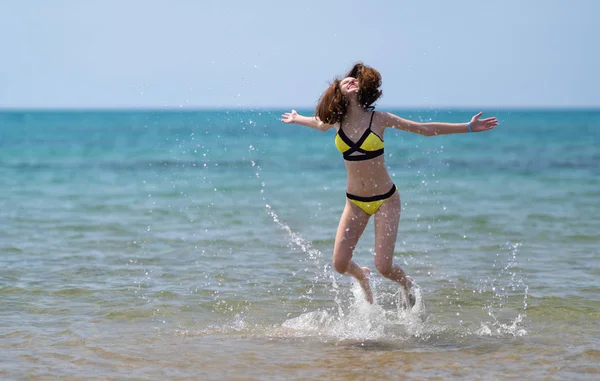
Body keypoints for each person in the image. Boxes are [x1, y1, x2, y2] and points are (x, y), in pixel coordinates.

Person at [280, 62, 498, 307]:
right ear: (338, 91)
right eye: (346, 80)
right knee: (340, 264)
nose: (352, 81)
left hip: (385, 200)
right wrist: (298, 118)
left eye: (356, 80)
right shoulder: (336, 121)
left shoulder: (379, 119)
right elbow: (319, 124)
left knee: (384, 266)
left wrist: (468, 127)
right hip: (355, 203)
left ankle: (407, 284)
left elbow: (425, 130)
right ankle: (362, 276)